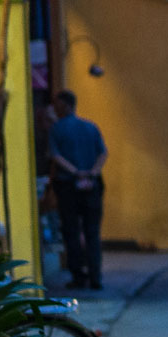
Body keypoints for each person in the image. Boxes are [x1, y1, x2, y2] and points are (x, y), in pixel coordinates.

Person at [49, 90, 107, 290]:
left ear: (65, 105)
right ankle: (95, 276)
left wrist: (76, 172)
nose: (54, 109)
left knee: (71, 231)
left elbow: (56, 156)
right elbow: (103, 154)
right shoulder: (90, 127)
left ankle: (78, 275)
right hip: (92, 186)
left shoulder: (57, 129)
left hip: (68, 186)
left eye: (57, 104)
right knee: (92, 232)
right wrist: (91, 173)